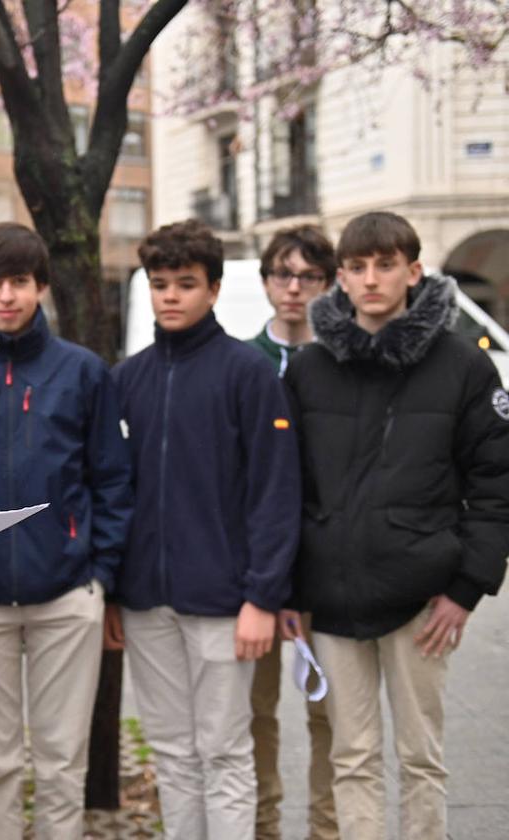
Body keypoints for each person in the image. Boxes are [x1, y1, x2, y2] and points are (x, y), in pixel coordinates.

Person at [282, 211, 509, 840]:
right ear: (341, 279)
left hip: (423, 599)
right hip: (330, 596)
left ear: (413, 272)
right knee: (350, 756)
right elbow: (288, 488)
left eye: (386, 265)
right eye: (357, 267)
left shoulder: (464, 365)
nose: (371, 279)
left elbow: (496, 483)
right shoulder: (307, 368)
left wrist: (467, 588)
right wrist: (291, 592)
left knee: (420, 756)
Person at [0, 222, 133, 839]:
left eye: (18, 282)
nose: (5, 296)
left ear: (40, 286)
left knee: (64, 762)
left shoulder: (84, 372)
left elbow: (112, 481)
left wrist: (100, 577)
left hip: (69, 597)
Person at [109, 219, 300, 840]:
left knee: (223, 750)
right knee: (171, 750)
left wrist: (263, 597)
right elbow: (112, 492)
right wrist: (114, 591)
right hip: (145, 601)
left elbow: (276, 492)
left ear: (213, 289)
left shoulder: (248, 374)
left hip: (226, 601)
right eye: (159, 283)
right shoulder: (126, 379)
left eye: (185, 284)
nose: (170, 296)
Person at [247, 225, 339, 840]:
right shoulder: (244, 360)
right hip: (255, 571)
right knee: (255, 714)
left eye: (308, 276)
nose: (294, 288)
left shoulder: (344, 360)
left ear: (329, 284)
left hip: (329, 571)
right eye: (283, 274)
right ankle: (263, 825)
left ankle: (327, 829)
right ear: (265, 281)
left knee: (330, 714)